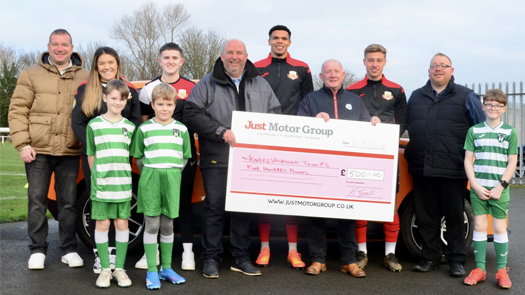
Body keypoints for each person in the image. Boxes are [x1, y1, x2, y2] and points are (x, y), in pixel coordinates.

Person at [183, 39, 281, 279]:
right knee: (214, 207)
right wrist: (221, 132)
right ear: (222, 55)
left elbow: (275, 115)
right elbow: (191, 113)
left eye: (239, 53)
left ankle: (240, 257)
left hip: (250, 160)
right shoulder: (208, 82)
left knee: (242, 209)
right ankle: (211, 258)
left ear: (246, 56)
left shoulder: (261, 83)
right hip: (217, 157)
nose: (234, 57)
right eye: (230, 53)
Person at [8, 29, 89, 270]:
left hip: (70, 151)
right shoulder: (30, 74)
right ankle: (37, 249)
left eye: (65, 44)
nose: (60, 48)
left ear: (72, 48)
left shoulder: (85, 76)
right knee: (36, 202)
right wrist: (22, 144)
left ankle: (68, 249)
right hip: (37, 150)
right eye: (55, 44)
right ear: (48, 46)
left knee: (68, 203)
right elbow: (17, 110)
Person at [297, 59, 380, 278]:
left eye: (336, 71)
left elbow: (366, 126)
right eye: (327, 72)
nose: (332, 75)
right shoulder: (310, 99)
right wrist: (312, 121)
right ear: (321, 77)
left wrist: (373, 123)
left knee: (348, 216)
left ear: (343, 75)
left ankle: (349, 261)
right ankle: (317, 259)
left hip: (347, 169)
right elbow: (298, 127)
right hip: (318, 167)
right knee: (316, 214)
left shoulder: (355, 100)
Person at [405, 53, 485, 277]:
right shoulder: (416, 96)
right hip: (422, 168)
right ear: (428, 71)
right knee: (425, 216)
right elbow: (403, 125)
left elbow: (480, 130)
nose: (438, 69)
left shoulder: (466, 96)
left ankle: (456, 260)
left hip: (453, 169)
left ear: (452, 70)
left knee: (454, 217)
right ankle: (429, 258)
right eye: (434, 66)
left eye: (443, 66)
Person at [72, 46, 141, 274]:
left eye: (111, 62)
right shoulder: (85, 90)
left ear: (117, 64)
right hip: (94, 158)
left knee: (120, 209)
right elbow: (78, 123)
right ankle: (100, 256)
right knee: (98, 207)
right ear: (96, 66)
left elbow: (135, 123)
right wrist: (96, 147)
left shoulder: (130, 90)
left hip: (120, 159)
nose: (107, 66)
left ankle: (116, 258)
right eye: (102, 63)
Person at [253, 25, 314, 269]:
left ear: (289, 42)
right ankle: (264, 247)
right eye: (275, 38)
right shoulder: (256, 67)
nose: (279, 41)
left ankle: (293, 251)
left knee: (291, 198)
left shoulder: (302, 67)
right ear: (269, 41)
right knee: (265, 196)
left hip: (293, 141)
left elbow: (309, 102)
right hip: (264, 140)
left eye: (284, 39)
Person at [135, 42, 197, 271]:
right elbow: (143, 120)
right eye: (166, 57)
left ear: (181, 61)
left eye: (175, 57)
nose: (170, 61)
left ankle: (187, 253)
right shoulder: (148, 88)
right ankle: (151, 255)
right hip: (155, 158)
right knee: (153, 208)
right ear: (159, 60)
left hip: (183, 155)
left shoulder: (192, 87)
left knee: (183, 204)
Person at [347, 44, 407, 272]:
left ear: (384, 62)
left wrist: (385, 142)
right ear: (364, 62)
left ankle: (390, 255)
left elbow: (403, 123)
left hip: (386, 156)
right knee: (359, 202)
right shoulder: (352, 89)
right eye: (370, 60)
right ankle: (361, 252)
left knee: (389, 204)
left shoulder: (397, 90)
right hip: (359, 155)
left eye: (378, 60)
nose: (374, 64)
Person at [131, 83, 191, 290]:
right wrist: (151, 172)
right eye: (160, 104)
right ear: (153, 105)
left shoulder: (181, 129)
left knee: (167, 226)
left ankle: (166, 267)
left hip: (172, 180)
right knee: (152, 225)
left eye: (168, 104)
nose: (164, 108)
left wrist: (171, 173)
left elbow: (184, 158)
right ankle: (152, 270)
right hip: (150, 181)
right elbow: (138, 157)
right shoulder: (144, 129)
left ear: (174, 106)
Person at [463, 89, 517, 289]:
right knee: (478, 227)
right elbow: (468, 160)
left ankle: (502, 270)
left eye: (497, 105)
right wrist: (475, 185)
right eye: (489, 104)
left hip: (499, 190)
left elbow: (512, 162)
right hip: (479, 189)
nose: (492, 108)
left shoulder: (510, 132)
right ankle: (480, 269)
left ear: (503, 109)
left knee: (499, 228)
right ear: (483, 106)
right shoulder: (474, 130)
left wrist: (500, 186)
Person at [86, 80, 136, 288]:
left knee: (122, 224)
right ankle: (105, 269)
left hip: (123, 186)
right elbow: (91, 154)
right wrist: (97, 179)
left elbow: (131, 157)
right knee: (102, 224)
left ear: (126, 100)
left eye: (122, 99)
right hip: (102, 187)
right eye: (113, 98)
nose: (117, 102)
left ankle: (120, 268)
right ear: (105, 98)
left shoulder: (131, 127)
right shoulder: (94, 125)